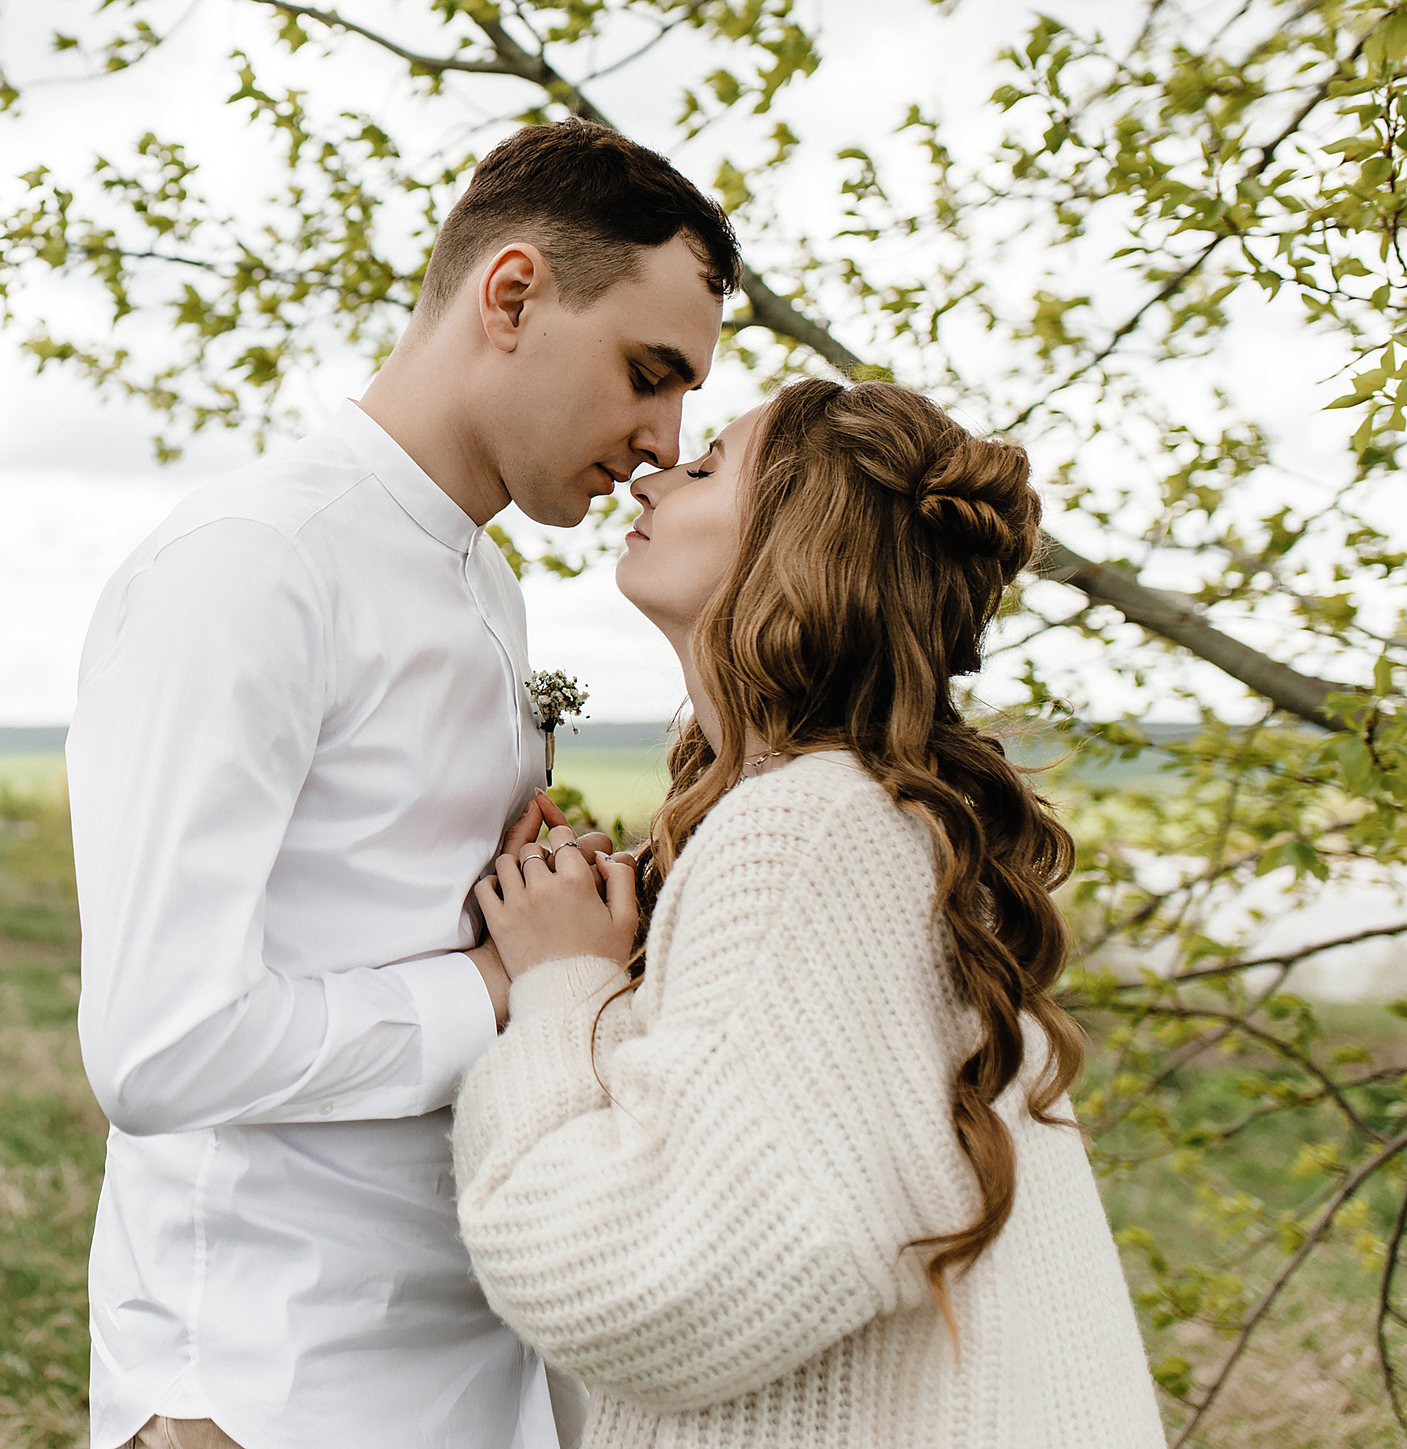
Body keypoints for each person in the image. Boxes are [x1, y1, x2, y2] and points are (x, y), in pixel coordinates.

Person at [66, 119, 738, 1449]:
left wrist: (547, 904)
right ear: (512, 294)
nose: (664, 441)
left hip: (463, 1362)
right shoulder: (256, 562)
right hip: (271, 1379)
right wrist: (500, 985)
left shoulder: (482, 578)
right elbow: (158, 1046)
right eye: (648, 374)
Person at [452, 378, 1168, 1448]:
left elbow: (637, 1282)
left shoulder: (809, 832)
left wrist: (562, 985)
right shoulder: (852, 819)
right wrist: (608, 966)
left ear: (798, 540)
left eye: (704, 470)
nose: (653, 470)